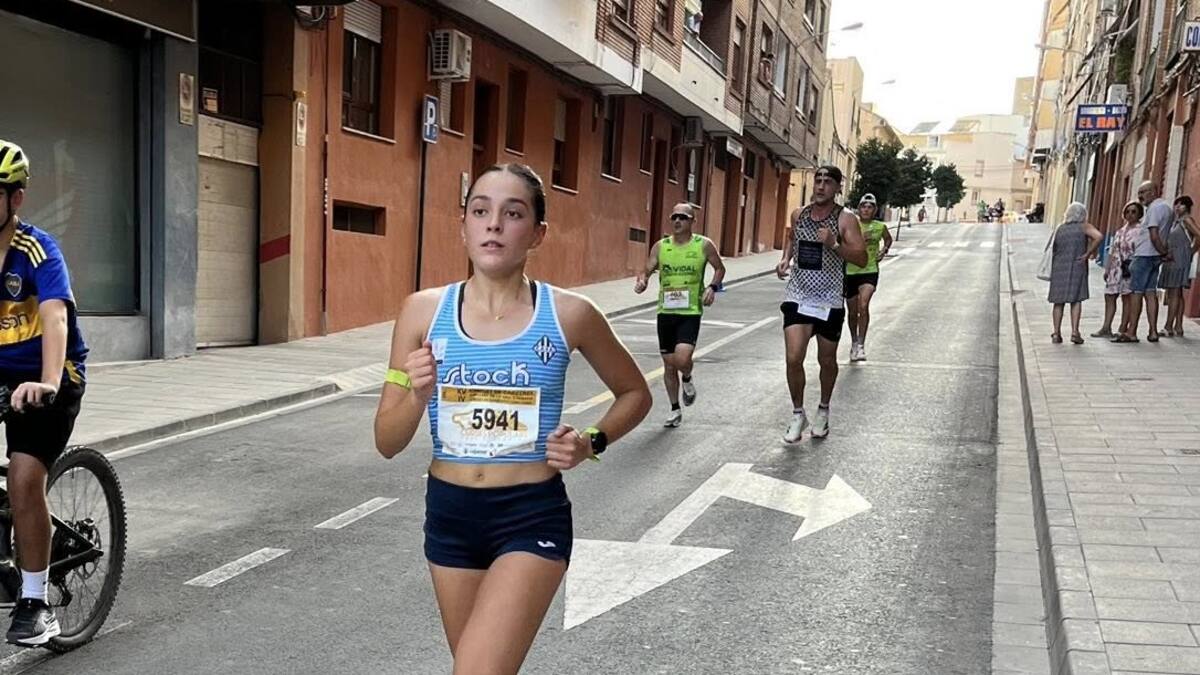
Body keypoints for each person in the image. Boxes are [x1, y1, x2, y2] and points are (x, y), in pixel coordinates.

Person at [373, 164, 651, 674]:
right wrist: (416, 396)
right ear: (463, 226)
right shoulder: (420, 313)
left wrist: (592, 440)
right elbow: (387, 441)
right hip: (450, 516)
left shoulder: (570, 313)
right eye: (480, 211)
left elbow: (634, 393)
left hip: (529, 515)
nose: (494, 224)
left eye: (513, 213)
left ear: (538, 233)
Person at [0, 140, 89, 647]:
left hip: (50, 376)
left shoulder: (36, 250)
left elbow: (55, 316)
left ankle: (36, 603)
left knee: (24, 474)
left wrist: (49, 381)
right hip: (0, 376)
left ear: (15, 200)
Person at [776, 166, 867, 442]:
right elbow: (792, 238)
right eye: (818, 181)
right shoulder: (799, 214)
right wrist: (785, 259)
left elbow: (861, 259)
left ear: (838, 188)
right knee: (793, 357)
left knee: (826, 360)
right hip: (798, 295)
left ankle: (824, 409)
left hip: (829, 300)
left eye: (828, 182)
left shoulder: (846, 219)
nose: (821, 186)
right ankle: (797, 413)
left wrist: (835, 245)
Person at [634, 203, 725, 428]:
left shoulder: (703, 245)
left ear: (692, 221)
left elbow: (720, 268)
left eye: (683, 217)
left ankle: (687, 376)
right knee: (668, 364)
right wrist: (643, 280)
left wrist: (712, 288)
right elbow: (647, 269)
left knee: (682, 359)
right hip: (665, 311)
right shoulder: (661, 247)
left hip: (690, 311)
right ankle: (675, 409)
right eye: (674, 217)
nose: (677, 221)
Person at [844, 193, 892, 362]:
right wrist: (859, 240)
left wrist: (883, 250)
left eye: (870, 207)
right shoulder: (851, 225)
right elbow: (841, 243)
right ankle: (854, 342)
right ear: (859, 209)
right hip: (850, 271)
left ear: (874, 210)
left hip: (869, 270)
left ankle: (862, 345)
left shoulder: (880, 226)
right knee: (852, 312)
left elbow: (888, 239)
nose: (866, 209)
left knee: (863, 305)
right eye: (863, 206)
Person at [1047, 202, 1103, 344]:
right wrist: (1088, 253)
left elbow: (1055, 249)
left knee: (1058, 302)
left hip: (1059, 267)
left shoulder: (1060, 229)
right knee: (1076, 300)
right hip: (1077, 265)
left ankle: (1056, 333)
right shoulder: (1084, 227)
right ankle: (1074, 332)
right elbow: (1099, 236)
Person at [1093, 201, 1141, 342]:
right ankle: (1106, 327)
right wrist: (1107, 268)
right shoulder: (1120, 230)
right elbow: (1113, 250)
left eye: (1133, 212)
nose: (1130, 214)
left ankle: (1122, 328)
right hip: (1115, 268)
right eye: (1127, 211)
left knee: (1127, 298)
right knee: (1109, 296)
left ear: (1139, 214)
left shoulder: (1140, 230)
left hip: (1129, 267)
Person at [1130, 180, 1171, 342]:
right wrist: (1162, 253)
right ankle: (1153, 331)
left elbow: (1154, 235)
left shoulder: (1154, 209)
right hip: (1155, 257)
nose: (1140, 196)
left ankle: (1131, 331)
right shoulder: (1167, 208)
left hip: (1145, 255)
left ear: (1154, 191)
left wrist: (1164, 252)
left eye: (1143, 192)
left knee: (1136, 293)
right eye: (1139, 193)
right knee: (1150, 293)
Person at [1160, 196, 1200, 337]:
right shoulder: (1176, 222)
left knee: (1174, 293)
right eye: (1176, 204)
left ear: (1187, 207)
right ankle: (1178, 326)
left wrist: (1191, 251)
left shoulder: (1186, 220)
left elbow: (1199, 235)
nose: (1177, 207)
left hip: (1179, 259)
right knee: (1177, 293)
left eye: (1181, 205)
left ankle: (1168, 326)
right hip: (1173, 258)